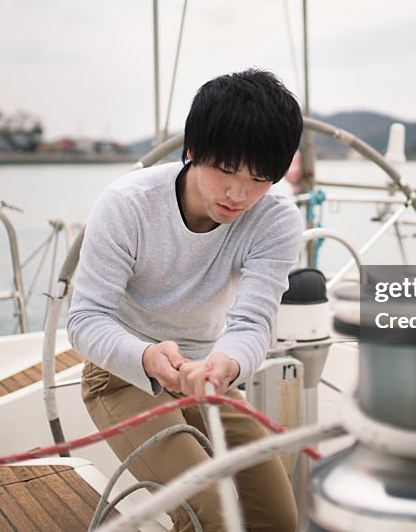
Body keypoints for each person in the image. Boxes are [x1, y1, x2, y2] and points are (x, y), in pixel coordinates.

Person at [68, 68, 304, 531]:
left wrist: (226, 365)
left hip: (208, 376)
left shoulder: (276, 219)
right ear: (193, 150)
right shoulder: (127, 205)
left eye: (259, 178)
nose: (239, 194)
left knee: (278, 517)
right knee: (209, 511)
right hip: (121, 375)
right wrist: (147, 355)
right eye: (225, 170)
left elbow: (253, 322)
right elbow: (86, 319)